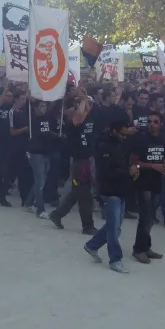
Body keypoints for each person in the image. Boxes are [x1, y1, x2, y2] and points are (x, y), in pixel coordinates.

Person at [84, 121, 137, 274]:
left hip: (121, 189)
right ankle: (115, 259)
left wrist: (134, 170)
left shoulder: (120, 143)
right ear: (114, 131)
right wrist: (128, 172)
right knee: (113, 228)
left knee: (115, 226)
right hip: (109, 191)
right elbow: (106, 172)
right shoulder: (103, 146)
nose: (124, 136)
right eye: (122, 133)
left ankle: (92, 245)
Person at [49, 94, 97, 233]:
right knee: (85, 194)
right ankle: (87, 226)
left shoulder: (81, 120)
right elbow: (81, 113)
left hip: (85, 161)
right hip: (78, 164)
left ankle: (57, 214)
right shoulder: (72, 125)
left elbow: (86, 111)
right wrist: (82, 100)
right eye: (73, 109)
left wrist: (84, 96)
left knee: (77, 192)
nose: (77, 110)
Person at [130, 111, 165, 264]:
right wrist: (152, 165)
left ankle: (146, 246)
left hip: (157, 182)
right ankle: (138, 249)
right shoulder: (141, 138)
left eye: (155, 121)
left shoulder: (164, 139)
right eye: (150, 121)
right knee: (145, 216)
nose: (152, 123)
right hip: (143, 182)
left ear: (161, 124)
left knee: (151, 217)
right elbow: (133, 162)